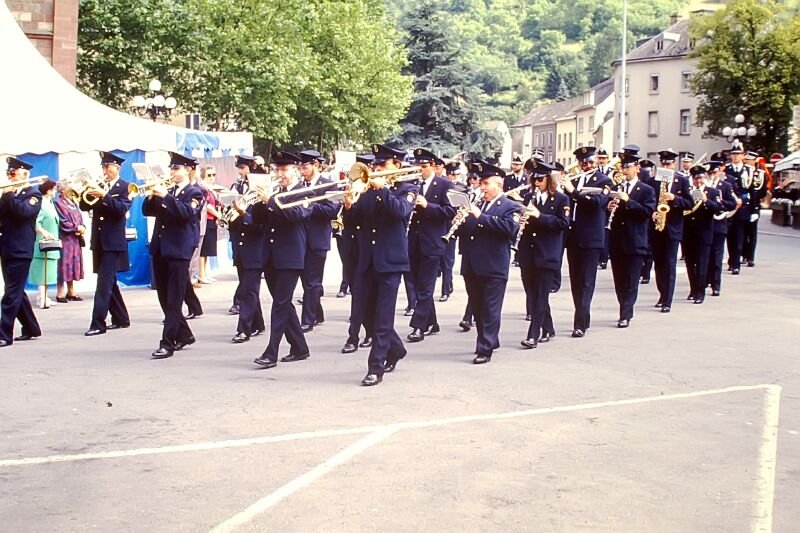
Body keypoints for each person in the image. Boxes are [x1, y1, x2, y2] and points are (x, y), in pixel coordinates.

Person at [342, 144, 415, 386]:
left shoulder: (407, 189)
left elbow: (400, 212)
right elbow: (355, 223)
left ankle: (376, 367)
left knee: (383, 318)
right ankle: (396, 349)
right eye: (375, 165)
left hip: (391, 262)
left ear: (397, 165)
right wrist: (349, 206)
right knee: (366, 313)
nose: (377, 169)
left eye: (383, 165)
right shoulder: (367, 191)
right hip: (367, 260)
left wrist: (382, 189)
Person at [252, 151, 312, 369]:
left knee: (279, 304)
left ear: (295, 170)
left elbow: (296, 216)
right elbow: (259, 220)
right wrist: (259, 203)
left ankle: (271, 353)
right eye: (277, 170)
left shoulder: (305, 192)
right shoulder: (276, 193)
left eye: (284, 170)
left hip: (291, 256)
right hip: (271, 255)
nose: (280, 174)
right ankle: (300, 347)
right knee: (283, 303)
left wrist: (270, 200)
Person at [143, 151, 204, 358]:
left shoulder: (195, 192)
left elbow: (186, 213)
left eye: (176, 168)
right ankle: (185, 335)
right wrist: (151, 196)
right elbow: (148, 212)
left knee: (174, 299)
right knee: (163, 296)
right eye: (171, 168)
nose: (172, 171)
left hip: (179, 250)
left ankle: (167, 343)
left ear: (187, 170)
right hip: (161, 247)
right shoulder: (168, 191)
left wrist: (165, 196)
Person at [458, 161, 520, 364]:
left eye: (486, 183)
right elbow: (468, 232)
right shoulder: (479, 204)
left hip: (493, 266)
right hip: (472, 265)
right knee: (477, 307)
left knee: (490, 309)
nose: (482, 187)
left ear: (499, 184)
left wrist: (480, 216)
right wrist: (459, 221)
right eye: (481, 183)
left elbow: (508, 229)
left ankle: (484, 348)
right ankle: (491, 339)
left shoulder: (511, 206)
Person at [562, 146, 613, 338]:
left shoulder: (604, 181)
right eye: (583, 163)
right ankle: (584, 315)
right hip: (573, 237)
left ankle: (580, 323)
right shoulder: (574, 179)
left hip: (591, 238)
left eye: (591, 162)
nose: (587, 166)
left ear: (597, 162)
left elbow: (597, 203)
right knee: (576, 281)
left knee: (586, 282)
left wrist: (573, 191)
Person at [518, 162, 569, 349]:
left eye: (540, 179)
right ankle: (548, 327)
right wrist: (521, 220)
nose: (537, 183)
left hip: (547, 253)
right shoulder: (528, 197)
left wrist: (539, 216)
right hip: (528, 252)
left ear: (549, 179)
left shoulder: (561, 199)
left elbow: (563, 223)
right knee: (533, 294)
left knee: (540, 295)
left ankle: (533, 335)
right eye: (534, 180)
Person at [406, 148, 455, 343]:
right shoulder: (413, 184)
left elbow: (450, 211)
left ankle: (419, 326)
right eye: (418, 166)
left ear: (433, 166)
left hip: (433, 242)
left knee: (426, 286)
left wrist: (428, 205)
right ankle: (432, 322)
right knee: (418, 284)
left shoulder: (445, 184)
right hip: (414, 241)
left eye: (424, 166)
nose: (420, 170)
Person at [81, 151, 132, 336]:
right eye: (103, 167)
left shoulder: (126, 187)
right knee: (109, 281)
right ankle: (121, 318)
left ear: (116, 168)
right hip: (99, 240)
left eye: (107, 167)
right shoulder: (99, 185)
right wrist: (85, 190)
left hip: (113, 242)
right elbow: (84, 206)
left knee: (103, 283)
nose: (104, 171)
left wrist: (104, 195)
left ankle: (97, 323)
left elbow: (121, 209)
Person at [607, 152, 656, 328]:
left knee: (631, 281)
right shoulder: (617, 188)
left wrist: (628, 201)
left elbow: (647, 212)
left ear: (637, 168)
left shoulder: (646, 190)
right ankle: (624, 307)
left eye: (627, 167)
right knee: (619, 280)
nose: (624, 170)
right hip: (617, 241)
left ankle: (625, 314)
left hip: (635, 241)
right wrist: (609, 207)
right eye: (622, 167)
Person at [0, 157, 42, 346]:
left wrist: (9, 195)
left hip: (21, 249)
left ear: (24, 174)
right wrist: (6, 196)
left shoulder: (33, 194)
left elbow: (24, 212)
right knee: (15, 291)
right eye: (8, 173)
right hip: (6, 247)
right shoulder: (8, 194)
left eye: (13, 173)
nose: (9, 177)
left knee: (11, 293)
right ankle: (31, 328)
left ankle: (4, 335)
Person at [297, 149, 339, 332]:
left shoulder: (329, 185)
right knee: (306, 279)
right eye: (300, 167)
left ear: (315, 165)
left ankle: (307, 320)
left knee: (312, 281)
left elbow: (332, 210)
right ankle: (317, 312)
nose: (301, 171)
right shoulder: (300, 185)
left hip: (318, 239)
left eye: (305, 167)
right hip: (300, 238)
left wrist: (309, 204)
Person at [650, 149, 693, 314]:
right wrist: (652, 212)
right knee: (658, 263)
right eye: (663, 163)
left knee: (669, 263)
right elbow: (648, 202)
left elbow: (689, 203)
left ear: (674, 164)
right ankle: (662, 294)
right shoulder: (653, 181)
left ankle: (668, 300)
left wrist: (674, 198)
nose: (666, 166)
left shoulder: (682, 181)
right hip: (657, 228)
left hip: (673, 228)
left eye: (669, 164)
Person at [683, 165, 722, 303]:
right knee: (690, 263)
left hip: (704, 233)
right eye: (695, 178)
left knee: (702, 263)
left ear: (704, 177)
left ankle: (700, 292)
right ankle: (693, 289)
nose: (698, 181)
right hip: (689, 232)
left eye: (700, 178)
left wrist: (706, 200)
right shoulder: (687, 191)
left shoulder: (712, 192)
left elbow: (718, 208)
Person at [227, 154, 256, 315]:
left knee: (249, 276)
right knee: (241, 268)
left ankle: (239, 302)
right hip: (238, 231)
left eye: (243, 168)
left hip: (252, 231)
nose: (240, 172)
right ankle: (244, 304)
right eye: (239, 168)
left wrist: (242, 212)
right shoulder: (236, 185)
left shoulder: (257, 187)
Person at [706, 156, 737, 296]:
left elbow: (732, 204)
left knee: (717, 257)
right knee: (704, 256)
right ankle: (704, 281)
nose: (712, 175)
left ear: (719, 172)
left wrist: (720, 203)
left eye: (714, 172)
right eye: (710, 173)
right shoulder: (703, 186)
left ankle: (716, 285)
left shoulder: (725, 186)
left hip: (718, 224)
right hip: (705, 225)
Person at [457, 163, 481, 332]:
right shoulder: (468, 194)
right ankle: (471, 315)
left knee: (479, 285)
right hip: (468, 245)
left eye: (476, 179)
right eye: (470, 178)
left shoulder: (487, 198)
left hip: (482, 246)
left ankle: (468, 316)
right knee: (471, 284)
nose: (472, 181)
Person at [29, 179, 60, 308]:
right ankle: (42, 298)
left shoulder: (50, 203)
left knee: (49, 272)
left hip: (51, 243)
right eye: (54, 189)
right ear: (48, 190)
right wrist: (44, 232)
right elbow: (36, 222)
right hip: (42, 243)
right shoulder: (41, 204)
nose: (56, 191)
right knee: (42, 272)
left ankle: (44, 296)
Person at [53, 181, 86, 303]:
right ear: (62, 190)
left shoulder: (73, 202)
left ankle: (71, 291)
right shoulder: (58, 203)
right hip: (65, 239)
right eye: (68, 186)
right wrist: (75, 227)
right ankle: (60, 292)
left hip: (75, 239)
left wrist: (82, 227)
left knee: (73, 265)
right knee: (63, 265)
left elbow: (80, 218)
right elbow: (62, 221)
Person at [724, 140, 752, 275]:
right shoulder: (726, 169)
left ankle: (736, 264)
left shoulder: (748, 170)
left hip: (742, 207)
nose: (735, 156)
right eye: (733, 154)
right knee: (729, 237)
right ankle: (731, 260)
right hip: (729, 206)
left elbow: (751, 191)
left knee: (739, 236)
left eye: (738, 154)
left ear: (743, 155)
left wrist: (753, 209)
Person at [439, 160, 462, 302]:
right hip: (440, 226)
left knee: (447, 261)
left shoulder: (463, 188)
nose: (453, 177)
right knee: (439, 261)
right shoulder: (441, 186)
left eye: (455, 174)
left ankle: (445, 289)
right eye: (450, 174)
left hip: (452, 229)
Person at [742, 151, 766, 267]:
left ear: (755, 161)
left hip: (754, 205)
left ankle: (750, 257)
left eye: (750, 159)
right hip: (743, 206)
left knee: (752, 233)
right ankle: (744, 254)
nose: (747, 161)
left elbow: (762, 191)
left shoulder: (759, 174)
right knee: (742, 232)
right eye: (747, 159)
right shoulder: (742, 171)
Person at [198, 165, 221, 283]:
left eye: (214, 175)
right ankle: (201, 274)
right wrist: (218, 215)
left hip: (212, 220)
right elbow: (207, 205)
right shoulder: (203, 188)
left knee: (208, 249)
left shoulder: (212, 189)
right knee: (203, 249)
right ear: (203, 176)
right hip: (205, 220)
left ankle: (205, 273)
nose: (212, 177)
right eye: (209, 175)